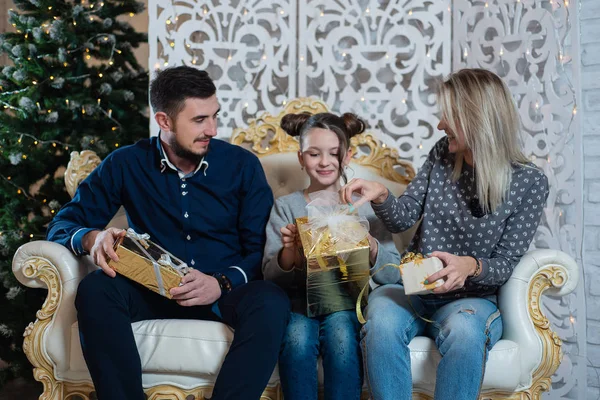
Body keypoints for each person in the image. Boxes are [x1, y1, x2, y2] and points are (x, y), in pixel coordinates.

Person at [47, 66, 290, 400]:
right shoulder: (125, 163)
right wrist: (92, 238)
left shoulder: (242, 166)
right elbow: (62, 225)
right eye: (199, 120)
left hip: (222, 292)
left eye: (214, 116)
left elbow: (258, 252)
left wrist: (219, 283)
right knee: (96, 290)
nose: (213, 129)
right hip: (151, 289)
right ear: (164, 121)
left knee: (271, 302)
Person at [341, 68, 549, 400]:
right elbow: (403, 217)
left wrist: (471, 266)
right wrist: (381, 195)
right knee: (379, 321)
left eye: (448, 116)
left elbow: (507, 263)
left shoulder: (529, 182)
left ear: (475, 117)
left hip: (471, 300)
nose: (440, 124)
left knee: (466, 333)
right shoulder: (443, 152)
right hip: (414, 288)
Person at [262, 112, 401, 400]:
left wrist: (371, 245)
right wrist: (290, 251)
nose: (324, 162)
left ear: (347, 156)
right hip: (300, 304)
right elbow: (270, 276)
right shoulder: (287, 207)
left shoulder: (364, 206)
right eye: (314, 154)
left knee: (341, 333)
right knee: (296, 338)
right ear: (301, 158)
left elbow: (395, 272)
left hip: (349, 305)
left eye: (333, 153)